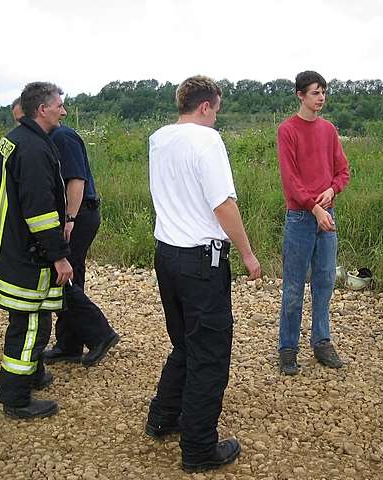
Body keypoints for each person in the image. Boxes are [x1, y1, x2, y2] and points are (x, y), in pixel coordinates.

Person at [145, 75, 261, 473]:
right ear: (206, 106)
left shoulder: (159, 138)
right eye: (217, 110)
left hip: (167, 255)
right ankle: (198, 449)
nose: (216, 119)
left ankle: (163, 416)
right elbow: (223, 204)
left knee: (184, 342)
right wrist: (247, 254)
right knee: (209, 355)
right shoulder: (207, 141)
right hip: (201, 261)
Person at [0, 82, 73, 419]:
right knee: (30, 324)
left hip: (13, 249)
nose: (63, 111)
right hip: (29, 254)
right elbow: (39, 213)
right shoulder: (34, 149)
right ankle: (16, 398)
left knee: (31, 317)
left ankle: (34, 373)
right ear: (42, 110)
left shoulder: (16, 140)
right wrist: (59, 255)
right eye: (59, 105)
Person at [12, 98, 119, 367]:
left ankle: (100, 334)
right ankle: (69, 344)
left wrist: (69, 218)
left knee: (62, 277)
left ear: (36, 113)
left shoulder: (63, 137)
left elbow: (77, 180)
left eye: (21, 119)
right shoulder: (43, 140)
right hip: (70, 216)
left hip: (79, 215)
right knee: (65, 277)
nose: (19, 126)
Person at [276, 71, 350, 375]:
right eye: (315, 92)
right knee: (294, 287)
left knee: (324, 283)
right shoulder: (287, 130)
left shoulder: (329, 130)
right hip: (300, 218)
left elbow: (343, 171)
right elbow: (290, 180)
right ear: (300, 95)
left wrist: (332, 190)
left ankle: (321, 342)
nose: (321, 98)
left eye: (323, 92)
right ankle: (288, 348)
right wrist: (314, 209)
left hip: (326, 213)